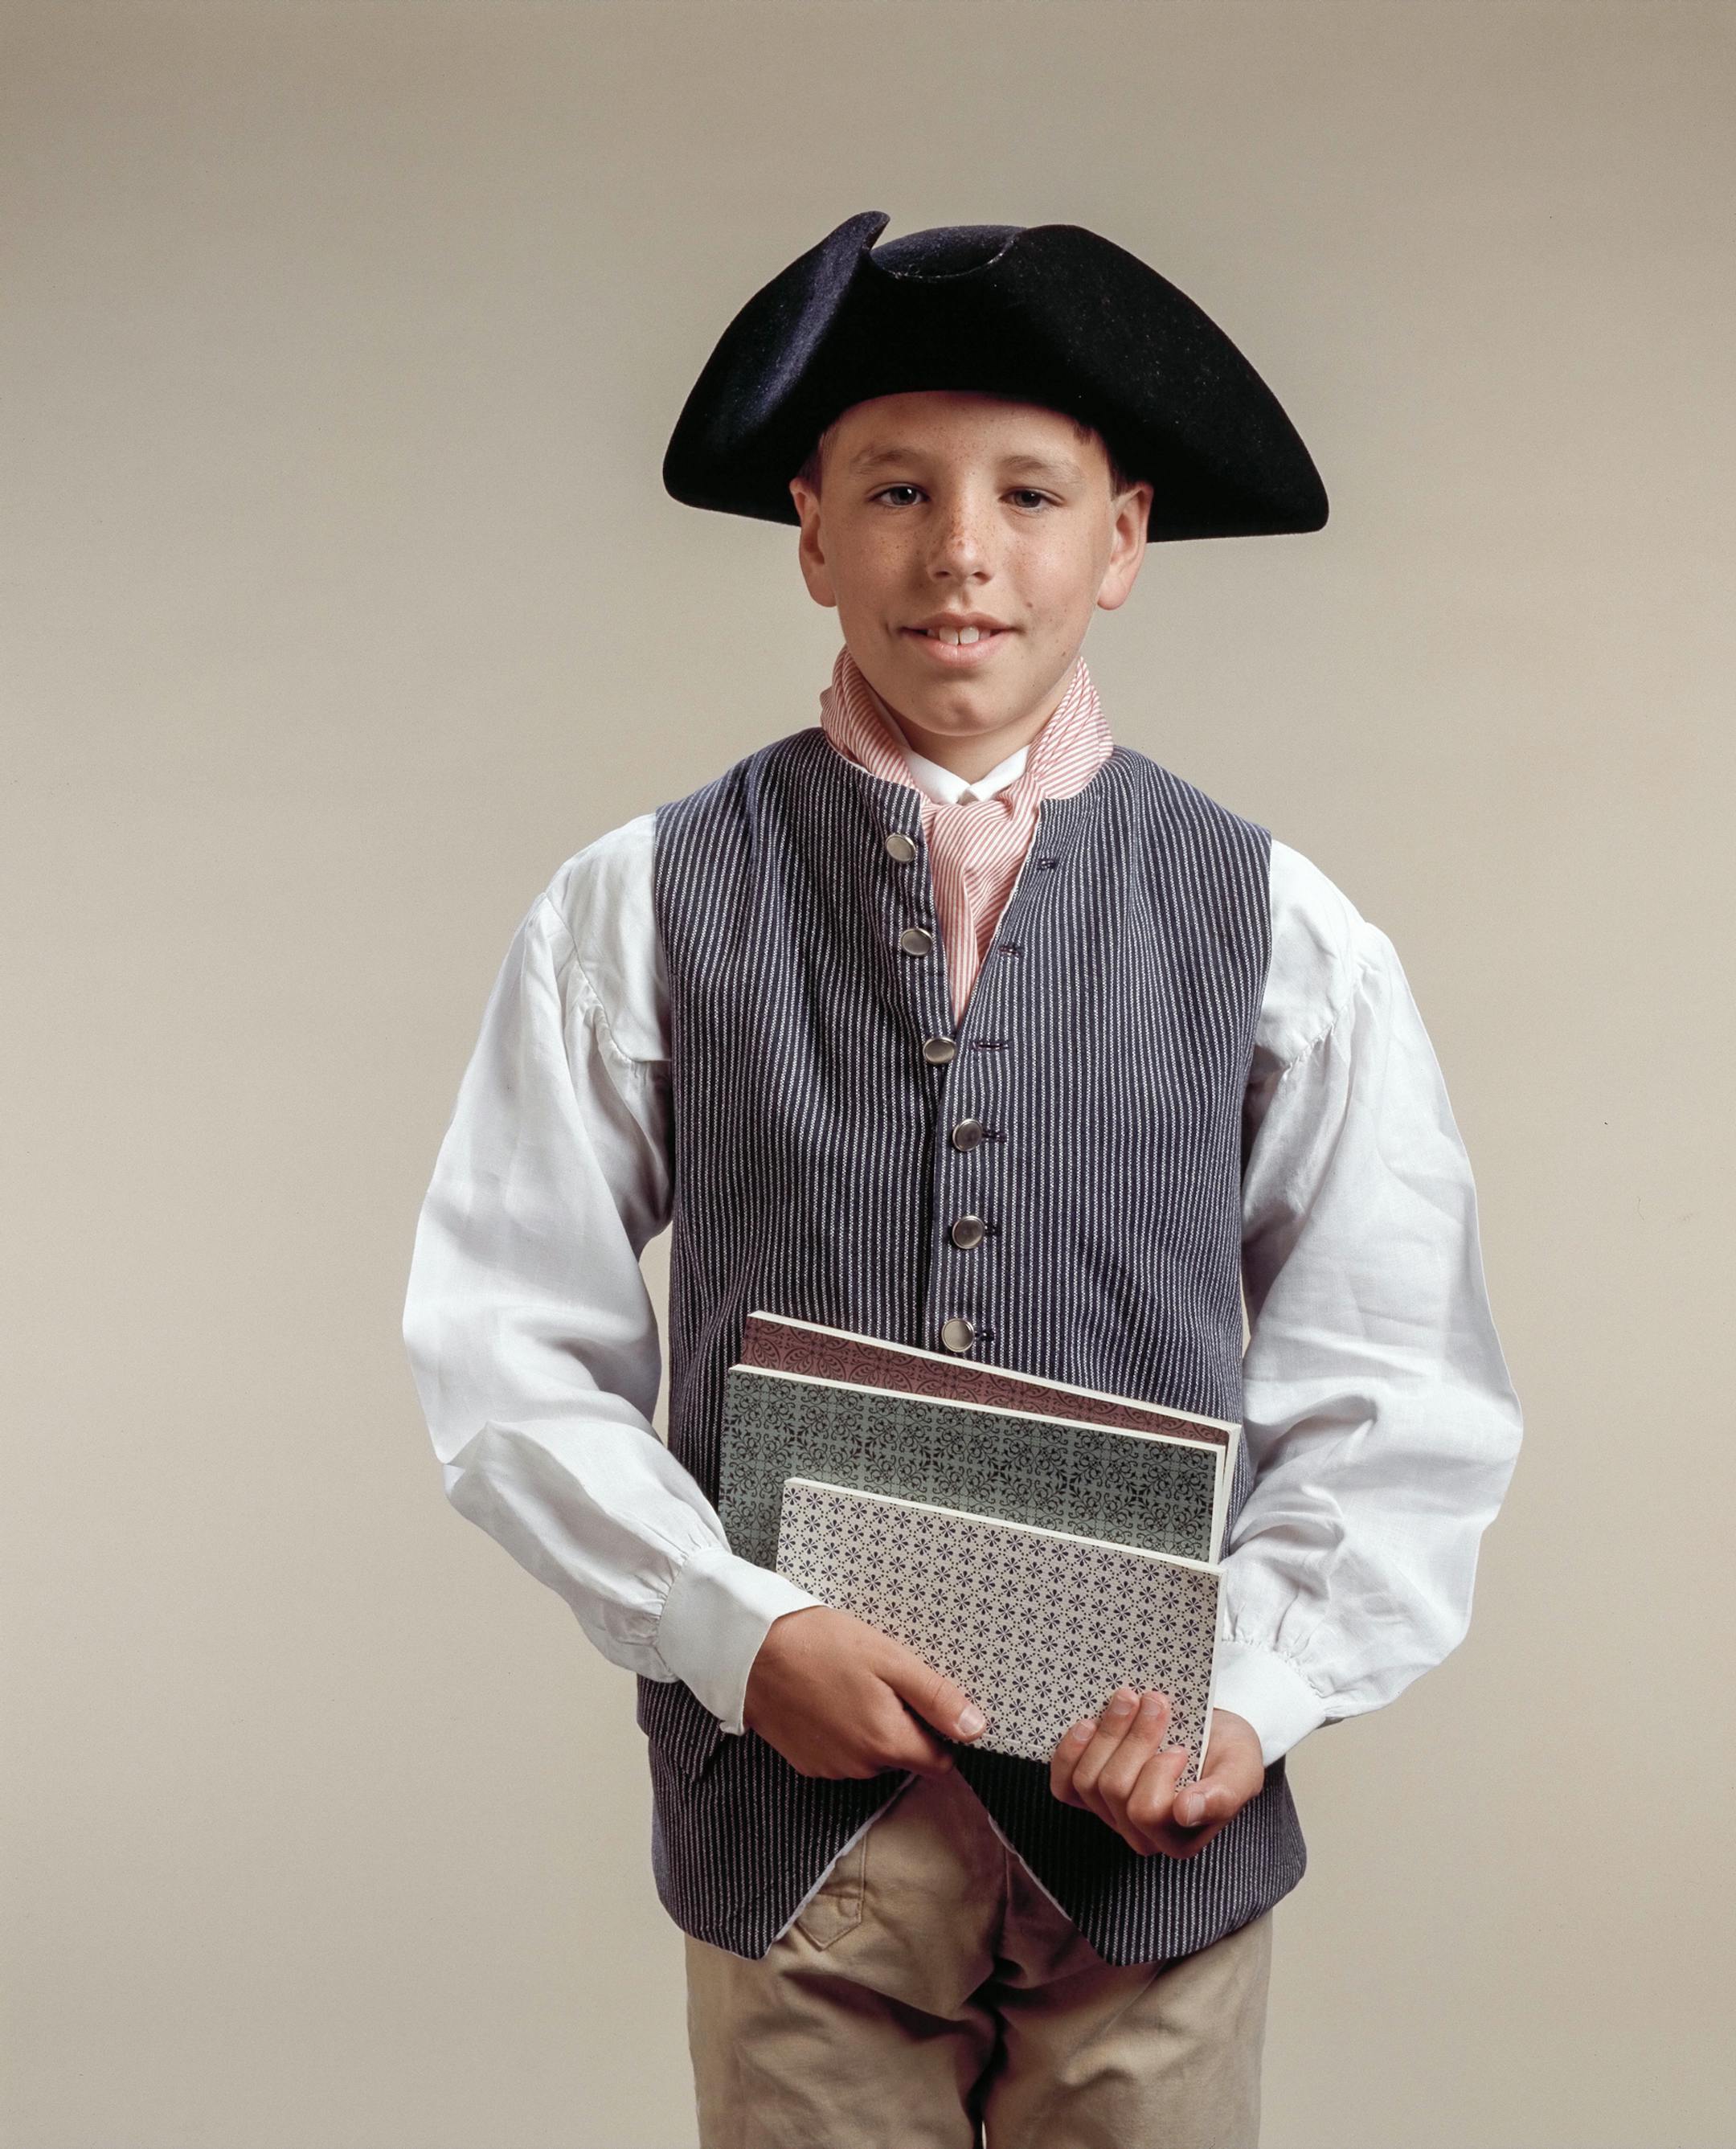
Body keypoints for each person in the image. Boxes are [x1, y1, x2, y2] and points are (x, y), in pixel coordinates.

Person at [402, 212, 1524, 2147]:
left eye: (1030, 490)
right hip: (797, 1838)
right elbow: (505, 1339)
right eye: (898, 488)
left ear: (1126, 537)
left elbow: (1394, 1376)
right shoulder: (641, 900)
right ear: (814, 531)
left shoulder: (1282, 928)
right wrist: (731, 1629)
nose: (964, 550)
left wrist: (1244, 1698)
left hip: (1150, 1832)